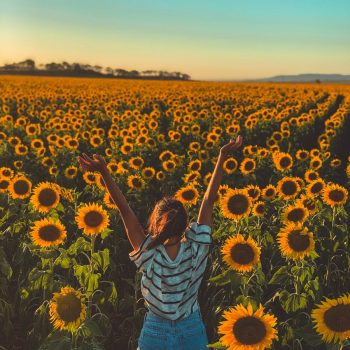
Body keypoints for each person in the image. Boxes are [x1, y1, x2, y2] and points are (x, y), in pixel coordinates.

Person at [77, 135, 243, 350]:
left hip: (156, 329)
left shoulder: (149, 252)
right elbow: (208, 201)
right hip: (190, 328)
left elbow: (124, 210)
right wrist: (222, 156)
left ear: (155, 225)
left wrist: (104, 172)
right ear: (185, 225)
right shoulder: (196, 249)